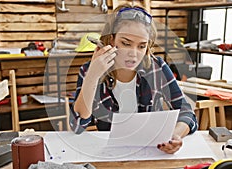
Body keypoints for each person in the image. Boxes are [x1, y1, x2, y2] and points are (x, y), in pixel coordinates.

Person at [69, 4, 198, 154]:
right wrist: (92, 76)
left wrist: (175, 135)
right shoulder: (90, 69)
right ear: (112, 40)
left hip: (151, 153)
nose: (134, 53)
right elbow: (78, 125)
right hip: (110, 155)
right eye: (126, 43)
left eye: (141, 46)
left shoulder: (157, 68)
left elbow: (187, 113)